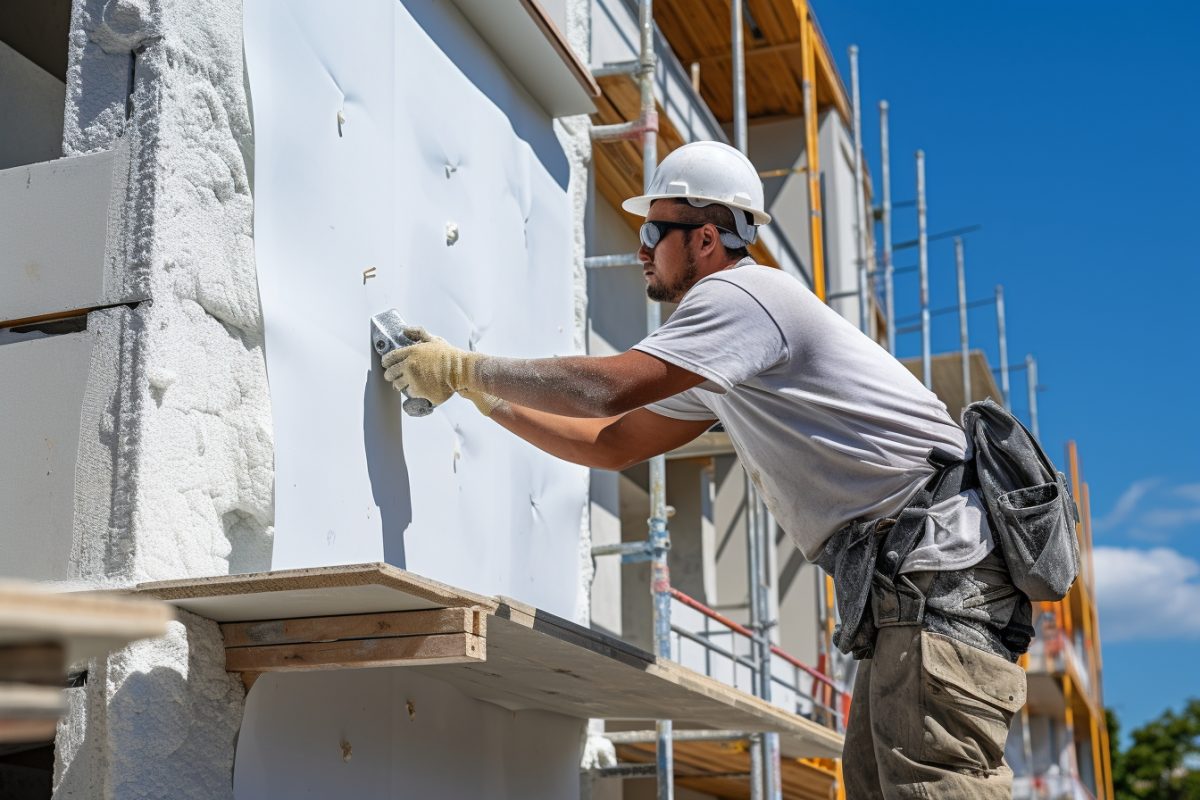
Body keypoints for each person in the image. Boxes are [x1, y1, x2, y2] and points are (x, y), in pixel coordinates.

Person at [383, 140, 1029, 799]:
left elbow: (608, 390)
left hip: (941, 575)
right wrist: (481, 397)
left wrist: (466, 366)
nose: (641, 249)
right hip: (916, 586)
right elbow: (612, 442)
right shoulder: (727, 349)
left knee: (938, 789)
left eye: (652, 231)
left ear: (707, 239)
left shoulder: (740, 296)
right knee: (881, 788)